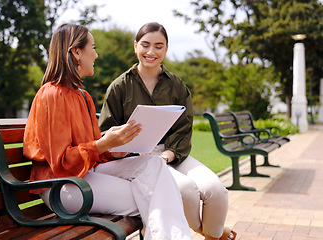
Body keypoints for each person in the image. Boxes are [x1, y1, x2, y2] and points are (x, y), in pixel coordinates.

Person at [23, 23, 191, 240]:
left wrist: (117, 146)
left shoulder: (82, 96)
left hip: (85, 175)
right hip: (62, 186)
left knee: (154, 163)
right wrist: (104, 143)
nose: (96, 54)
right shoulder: (51, 95)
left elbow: (93, 151)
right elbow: (62, 163)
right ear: (76, 52)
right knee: (157, 196)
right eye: (92, 48)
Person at [99, 22, 236, 240]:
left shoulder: (177, 86)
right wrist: (131, 149)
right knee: (186, 191)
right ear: (135, 46)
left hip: (172, 153)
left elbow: (184, 128)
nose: (151, 52)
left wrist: (167, 155)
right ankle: (210, 232)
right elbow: (107, 132)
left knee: (216, 190)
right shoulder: (119, 87)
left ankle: (211, 235)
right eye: (145, 45)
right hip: (137, 159)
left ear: (166, 49)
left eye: (158, 46)